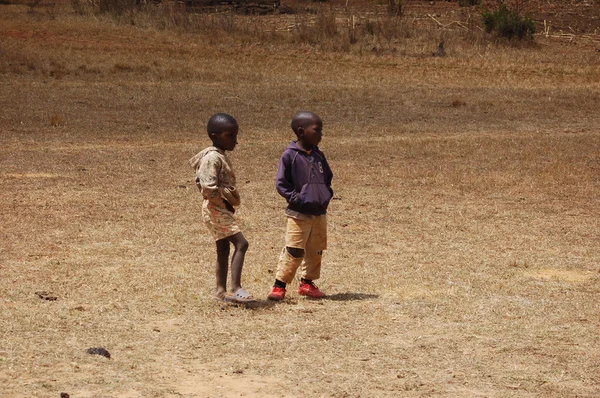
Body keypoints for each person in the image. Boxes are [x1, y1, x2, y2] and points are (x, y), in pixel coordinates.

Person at [189, 113, 256, 304]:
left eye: (235, 135)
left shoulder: (219, 156)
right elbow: (208, 187)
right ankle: (235, 288)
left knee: (223, 249)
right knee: (242, 244)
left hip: (217, 208)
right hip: (215, 208)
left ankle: (221, 292)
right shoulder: (212, 158)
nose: (235, 140)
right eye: (230, 135)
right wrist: (223, 201)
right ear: (214, 136)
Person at [267, 111, 334, 301]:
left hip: (319, 212)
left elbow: (328, 178)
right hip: (299, 214)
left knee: (316, 249)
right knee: (294, 249)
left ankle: (308, 283)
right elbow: (281, 183)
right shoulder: (290, 156)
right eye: (317, 130)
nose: (321, 134)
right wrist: (296, 198)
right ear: (301, 131)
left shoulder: (319, 156)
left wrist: (326, 194)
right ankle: (279, 285)